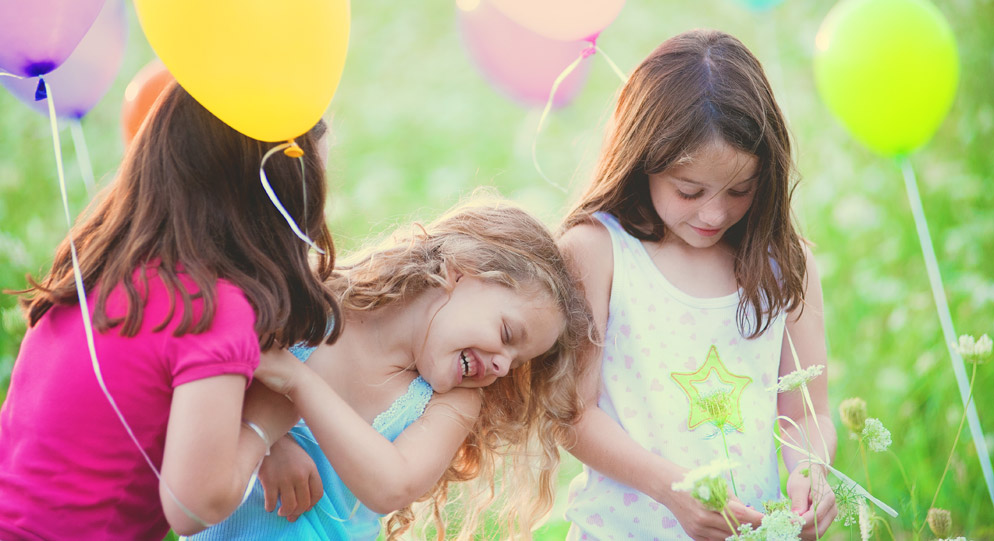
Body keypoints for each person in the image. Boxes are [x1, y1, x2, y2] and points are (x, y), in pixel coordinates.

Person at [0, 83, 340, 540]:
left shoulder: (104, 263)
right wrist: (265, 426)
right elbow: (192, 505)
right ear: (273, 199)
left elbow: (145, 387)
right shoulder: (214, 309)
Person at [560, 29, 838, 541]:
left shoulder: (783, 264)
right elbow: (572, 416)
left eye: (740, 190)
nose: (715, 213)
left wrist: (810, 472)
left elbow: (808, 410)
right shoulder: (599, 251)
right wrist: (671, 490)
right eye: (689, 191)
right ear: (642, 161)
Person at [190, 196, 593, 541]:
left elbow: (392, 485)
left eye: (517, 362)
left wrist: (298, 383)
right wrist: (267, 443)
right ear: (460, 271)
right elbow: (209, 366)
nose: (503, 366)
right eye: (507, 333)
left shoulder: (450, 404)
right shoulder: (315, 304)